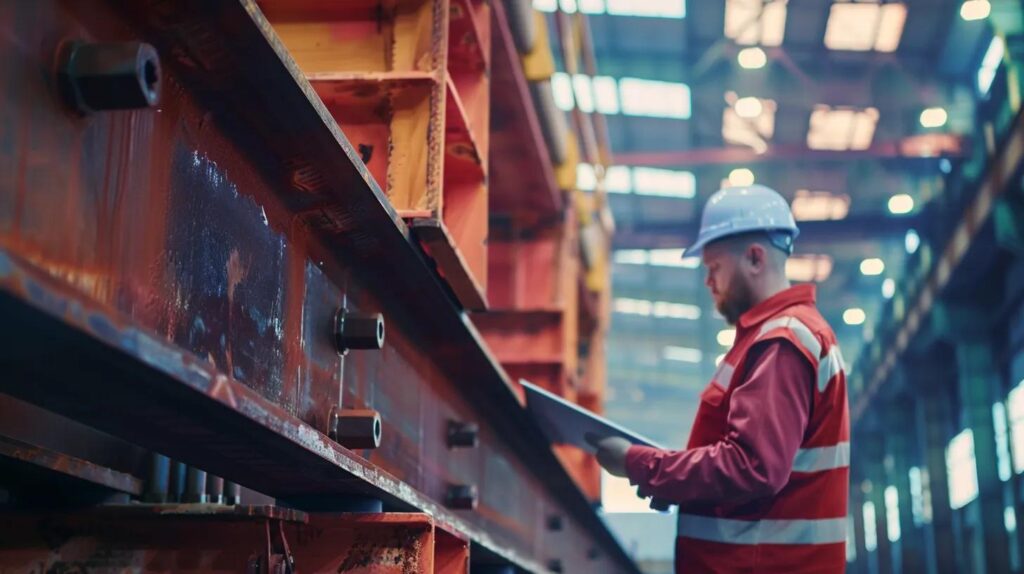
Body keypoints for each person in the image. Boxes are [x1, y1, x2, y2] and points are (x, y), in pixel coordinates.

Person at [590, 185, 850, 573]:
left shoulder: (781, 341)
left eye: (714, 268)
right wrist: (673, 484)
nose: (709, 282)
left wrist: (638, 464)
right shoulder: (775, 338)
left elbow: (752, 467)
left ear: (755, 259)